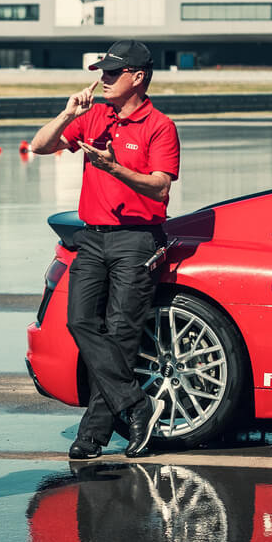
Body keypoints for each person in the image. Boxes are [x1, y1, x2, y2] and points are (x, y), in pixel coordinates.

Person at [29, 39, 180, 460]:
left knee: (120, 335)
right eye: (102, 72)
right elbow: (39, 146)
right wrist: (67, 114)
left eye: (112, 73)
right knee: (80, 322)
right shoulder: (94, 115)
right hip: (92, 237)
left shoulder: (160, 126)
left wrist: (115, 167)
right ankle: (137, 405)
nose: (103, 80)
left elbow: (161, 186)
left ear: (137, 78)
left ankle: (93, 436)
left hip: (136, 239)